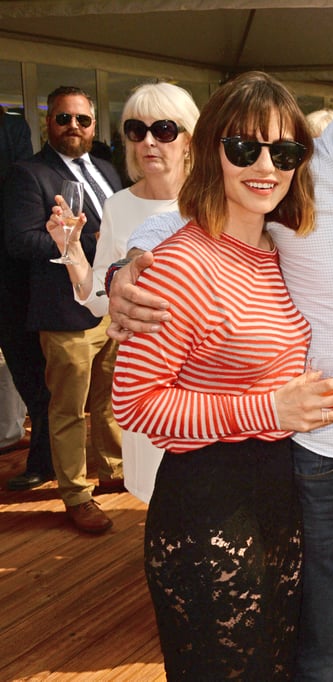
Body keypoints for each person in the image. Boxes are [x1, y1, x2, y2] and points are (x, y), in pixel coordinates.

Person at [107, 23, 333, 680]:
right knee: (310, 650)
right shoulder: (304, 165)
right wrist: (127, 265)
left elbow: (232, 221)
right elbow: (178, 224)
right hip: (308, 467)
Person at [110, 70, 333, 679]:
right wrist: (270, 410)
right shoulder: (181, 262)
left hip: (276, 498)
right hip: (207, 510)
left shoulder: (277, 248)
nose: (266, 165)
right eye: (245, 147)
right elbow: (134, 404)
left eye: (285, 150)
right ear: (210, 149)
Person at [44, 82, 197, 503]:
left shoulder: (214, 202)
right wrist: (70, 249)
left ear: (188, 139)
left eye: (164, 129)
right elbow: (97, 297)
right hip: (147, 371)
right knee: (156, 497)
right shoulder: (119, 205)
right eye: (135, 129)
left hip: (205, 375)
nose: (148, 141)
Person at [4, 86, 123, 532]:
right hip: (64, 312)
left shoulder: (109, 171)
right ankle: (76, 494)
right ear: (47, 123)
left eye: (83, 120)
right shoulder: (29, 173)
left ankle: (113, 471)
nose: (74, 126)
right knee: (68, 410)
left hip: (111, 305)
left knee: (109, 400)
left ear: (94, 127)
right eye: (63, 118)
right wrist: (70, 242)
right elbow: (18, 240)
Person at [0, 105, 44, 474]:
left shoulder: (10, 129)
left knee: (27, 368)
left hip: (11, 273)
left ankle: (42, 456)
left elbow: (18, 188)